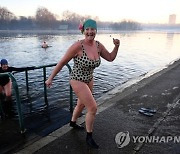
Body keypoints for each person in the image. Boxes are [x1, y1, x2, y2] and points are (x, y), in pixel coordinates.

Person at [45, 19, 120, 149]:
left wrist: (116, 46)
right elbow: (62, 62)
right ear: (83, 31)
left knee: (81, 103)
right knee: (92, 108)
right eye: (88, 29)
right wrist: (50, 78)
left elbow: (110, 58)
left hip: (89, 78)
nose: (90, 32)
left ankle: (73, 122)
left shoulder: (98, 46)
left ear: (96, 31)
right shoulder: (77, 46)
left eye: (93, 29)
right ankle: (89, 137)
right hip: (77, 79)